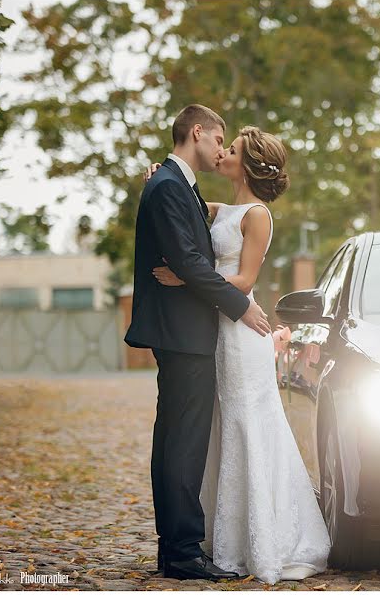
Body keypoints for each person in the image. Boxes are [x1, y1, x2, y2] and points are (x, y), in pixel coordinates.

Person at [144, 124, 331, 584]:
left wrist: (186, 280)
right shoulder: (225, 208)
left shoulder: (258, 216)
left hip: (242, 334)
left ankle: (266, 537)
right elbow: (182, 204)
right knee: (218, 429)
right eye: (223, 145)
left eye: (233, 149)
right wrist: (158, 173)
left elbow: (244, 282)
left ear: (246, 164)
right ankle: (215, 536)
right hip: (216, 331)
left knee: (249, 424)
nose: (223, 153)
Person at [125, 104, 272, 581]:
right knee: (183, 444)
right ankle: (184, 552)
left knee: (175, 441)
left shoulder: (175, 184)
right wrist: (241, 306)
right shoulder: (169, 184)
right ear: (197, 132)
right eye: (217, 140)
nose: (219, 150)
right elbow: (189, 261)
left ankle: (176, 548)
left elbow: (193, 253)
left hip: (186, 330)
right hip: (184, 333)